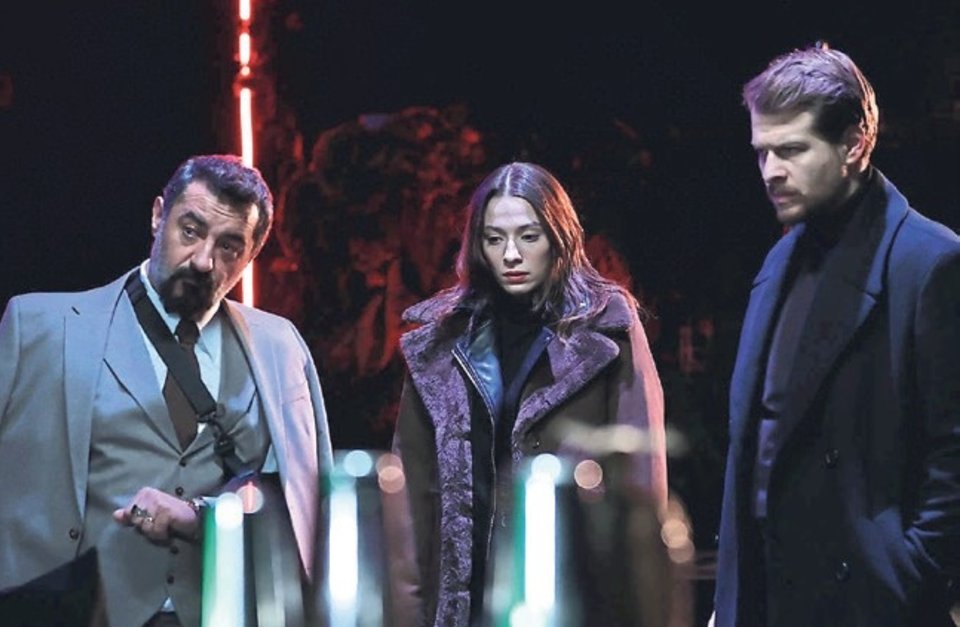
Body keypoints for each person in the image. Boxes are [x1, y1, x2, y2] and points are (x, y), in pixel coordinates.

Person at [0, 154, 333, 626]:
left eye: (229, 246)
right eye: (190, 231)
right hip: (73, 611)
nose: (203, 260)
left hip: (219, 612)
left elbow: (304, 502)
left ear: (252, 256)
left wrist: (203, 514)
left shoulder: (280, 345)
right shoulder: (40, 326)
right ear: (157, 216)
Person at [711, 43, 960, 627]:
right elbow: (756, 444)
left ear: (854, 144)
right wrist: (732, 597)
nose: (771, 171)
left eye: (792, 149)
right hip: (770, 597)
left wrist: (905, 578)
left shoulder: (930, 262)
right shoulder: (778, 263)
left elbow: (953, 453)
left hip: (867, 603)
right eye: (763, 152)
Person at [390, 161, 668, 626]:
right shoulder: (441, 342)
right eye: (494, 239)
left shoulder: (606, 332)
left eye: (529, 236)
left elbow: (641, 477)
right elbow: (409, 493)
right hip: (466, 600)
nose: (511, 255)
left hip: (572, 595)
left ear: (559, 237)